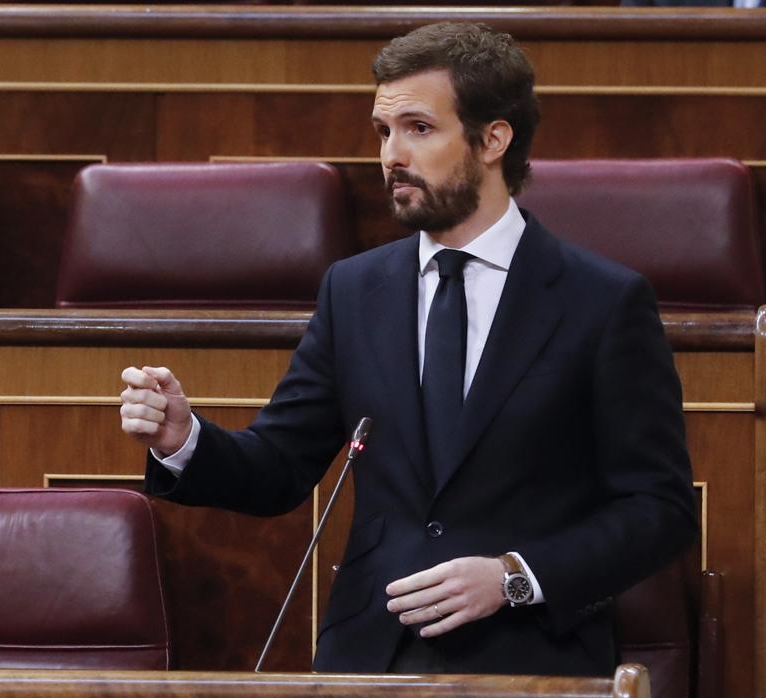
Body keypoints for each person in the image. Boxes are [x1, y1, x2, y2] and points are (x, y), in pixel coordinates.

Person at [119, 22, 697, 676]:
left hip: (530, 660)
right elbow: (279, 464)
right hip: (369, 660)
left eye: (418, 129)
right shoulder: (355, 289)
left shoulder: (602, 302)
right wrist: (183, 438)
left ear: (492, 139)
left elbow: (660, 509)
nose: (392, 154)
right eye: (383, 132)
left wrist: (515, 576)